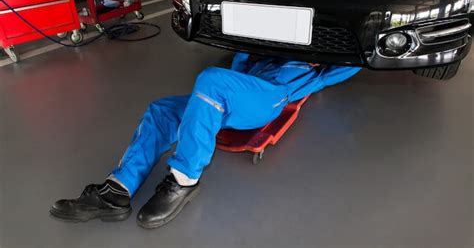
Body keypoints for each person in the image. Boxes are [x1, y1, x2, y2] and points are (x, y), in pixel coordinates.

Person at [50, 53, 361, 228]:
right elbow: (239, 67)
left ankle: (184, 179)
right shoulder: (269, 48)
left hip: (268, 99)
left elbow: (353, 60)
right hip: (238, 93)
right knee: (162, 111)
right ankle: (116, 191)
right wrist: (244, 44)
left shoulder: (316, 69)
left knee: (212, 79)